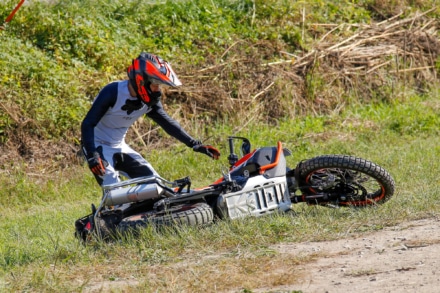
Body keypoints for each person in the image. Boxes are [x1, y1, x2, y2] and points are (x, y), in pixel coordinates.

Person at [81, 52, 220, 186]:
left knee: (155, 184)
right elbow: (88, 124)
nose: (158, 90)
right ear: (141, 80)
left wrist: (195, 144)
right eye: (155, 84)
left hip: (118, 145)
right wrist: (93, 155)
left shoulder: (150, 102)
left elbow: (167, 123)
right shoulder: (112, 92)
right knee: (113, 188)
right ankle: (108, 209)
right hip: (96, 145)